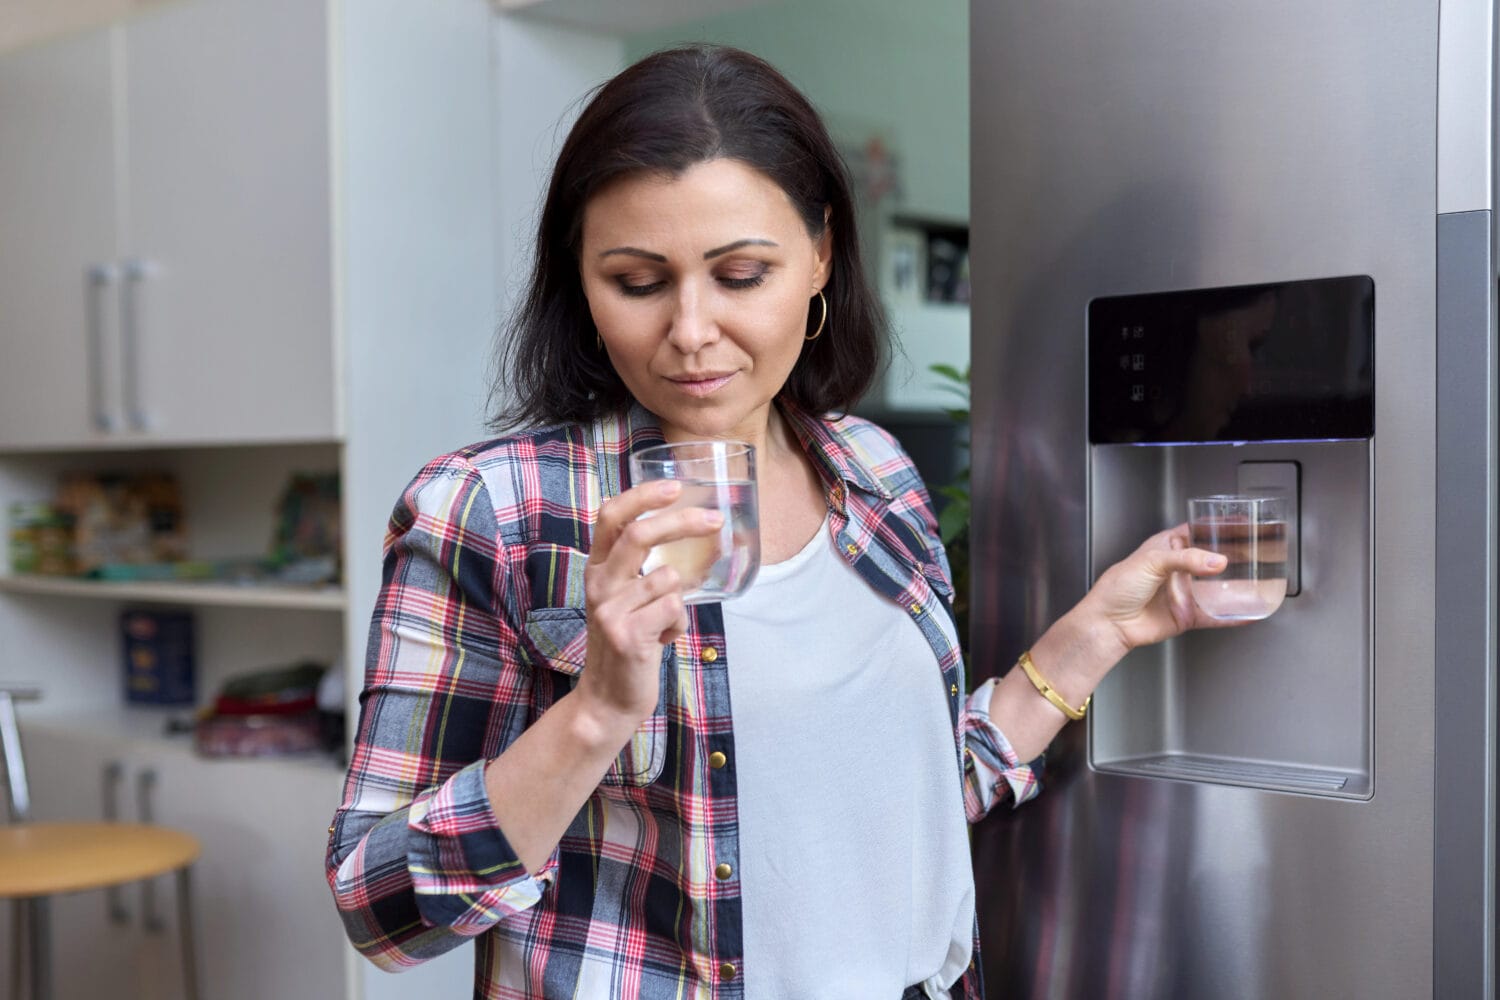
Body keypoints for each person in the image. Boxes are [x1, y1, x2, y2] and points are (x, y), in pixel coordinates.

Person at [325, 44, 1232, 1000]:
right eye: (638, 281)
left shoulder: (873, 471)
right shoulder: (492, 512)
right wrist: (594, 714)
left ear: (821, 258)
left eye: (742, 273)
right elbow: (379, 908)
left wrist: (1102, 632)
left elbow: (905, 798)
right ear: (581, 285)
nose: (691, 329)